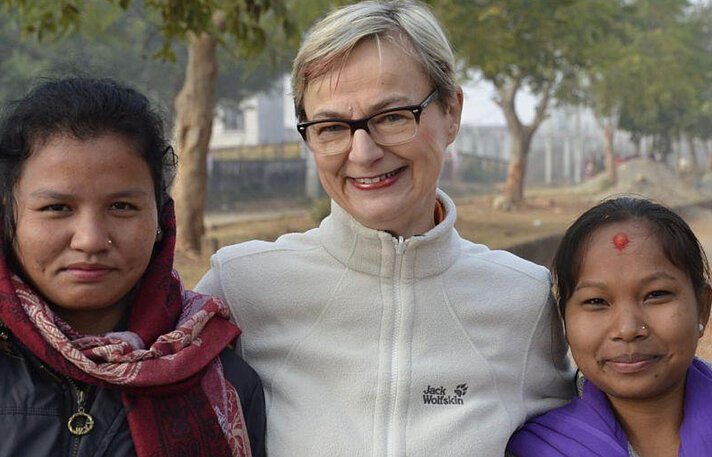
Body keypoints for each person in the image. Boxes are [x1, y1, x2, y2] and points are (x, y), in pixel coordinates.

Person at [195, 1, 574, 455]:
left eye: (393, 117)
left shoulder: (525, 300)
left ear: (451, 111)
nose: (363, 152)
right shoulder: (240, 287)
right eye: (331, 126)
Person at [0, 77, 266, 457]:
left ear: (161, 219)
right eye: (57, 208)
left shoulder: (227, 381)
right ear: (9, 217)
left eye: (121, 207)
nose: (90, 240)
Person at [507, 197, 712, 457]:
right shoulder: (534, 449)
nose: (628, 329)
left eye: (656, 295)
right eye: (596, 301)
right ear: (563, 319)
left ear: (702, 307)